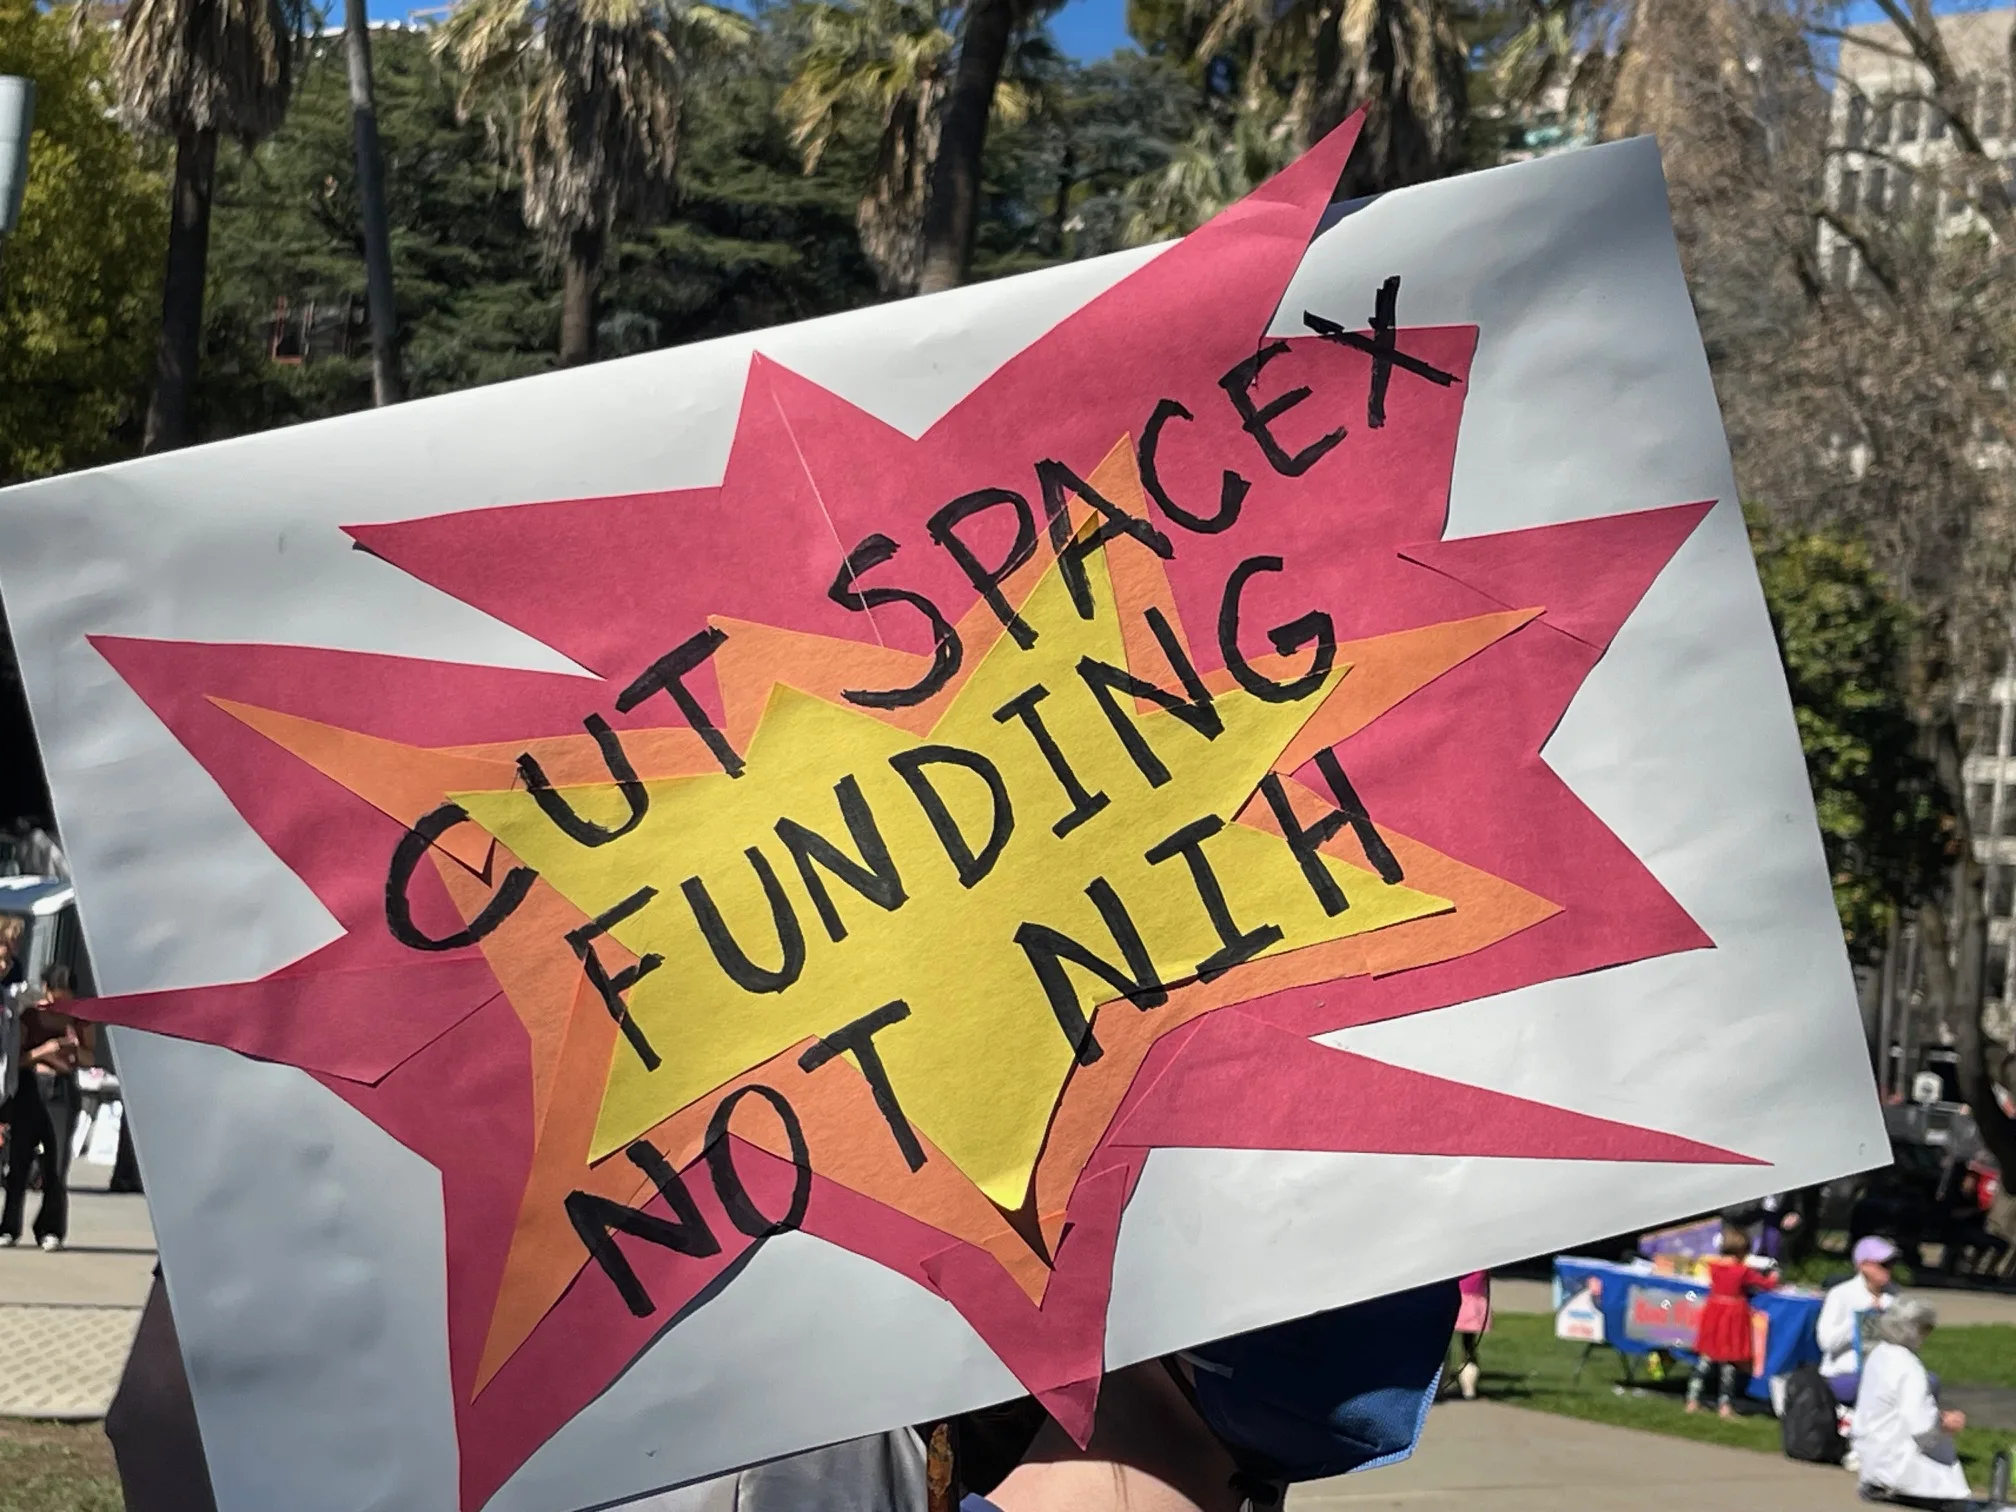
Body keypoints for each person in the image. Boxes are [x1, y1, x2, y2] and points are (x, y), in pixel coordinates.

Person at [1850, 1297, 1971, 1509]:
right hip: (1901, 1470)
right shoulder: (1910, 1368)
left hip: (1871, 1461)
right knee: (1957, 1500)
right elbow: (1921, 1426)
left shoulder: (1878, 1354)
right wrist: (1946, 1422)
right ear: (1916, 1330)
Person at [0, 966, 90, 1251]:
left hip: (61, 1089)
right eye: (53, 996)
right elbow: (17, 1058)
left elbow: (88, 1058)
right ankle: (9, 1226)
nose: (56, 1003)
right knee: (19, 1161)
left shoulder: (80, 1018)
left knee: (57, 1163)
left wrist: (75, 1045)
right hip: (30, 1087)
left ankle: (50, 1228)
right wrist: (46, 1051)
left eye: (64, 999)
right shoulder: (30, 1015)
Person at [1687, 1223, 1775, 1418]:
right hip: (1733, 1316)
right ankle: (1725, 1405)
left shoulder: (1714, 1267)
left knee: (1706, 1357)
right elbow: (1764, 1284)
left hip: (1714, 1313)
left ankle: (1692, 1399)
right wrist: (1774, 1277)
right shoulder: (1742, 1271)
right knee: (1729, 1361)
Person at [1818, 1234, 1898, 1404]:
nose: (1889, 1269)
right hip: (1845, 1371)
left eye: (1892, 1263)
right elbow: (1826, 1342)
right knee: (1867, 1385)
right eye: (1883, 1264)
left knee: (1928, 1382)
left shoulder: (1893, 1297)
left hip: (1886, 1369)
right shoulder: (1840, 1294)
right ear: (1863, 1265)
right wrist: (1862, 1319)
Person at [1451, 1271, 1491, 1400]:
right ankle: (1469, 1389)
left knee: (1447, 1347)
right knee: (1469, 1346)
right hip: (1475, 1300)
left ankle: (1440, 1387)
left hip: (1459, 1298)